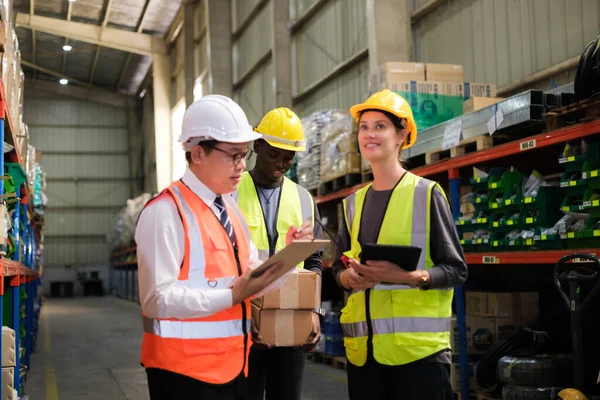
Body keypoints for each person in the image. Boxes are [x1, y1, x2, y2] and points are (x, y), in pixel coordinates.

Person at [135, 95, 314, 400]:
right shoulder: (165, 212)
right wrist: (231, 295)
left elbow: (251, 277)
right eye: (233, 155)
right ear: (198, 154)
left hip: (234, 369)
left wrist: (289, 256)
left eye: (243, 155)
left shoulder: (229, 211)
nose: (242, 165)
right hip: (183, 375)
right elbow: (156, 300)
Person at [331, 89, 468, 400]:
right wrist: (347, 277)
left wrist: (406, 278)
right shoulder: (352, 204)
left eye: (380, 126)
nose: (369, 134)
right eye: (364, 127)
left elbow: (456, 270)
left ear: (401, 135)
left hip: (418, 358)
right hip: (364, 355)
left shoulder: (426, 194)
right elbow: (337, 267)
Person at [233, 107, 324, 400]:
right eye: (274, 154)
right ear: (257, 145)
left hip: (290, 323)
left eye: (288, 157)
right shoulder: (230, 194)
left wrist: (314, 312)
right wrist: (244, 316)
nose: (281, 163)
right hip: (243, 326)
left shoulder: (303, 198)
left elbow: (314, 263)